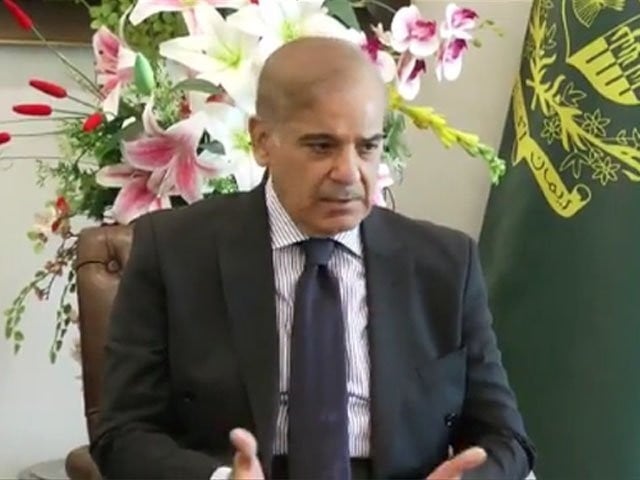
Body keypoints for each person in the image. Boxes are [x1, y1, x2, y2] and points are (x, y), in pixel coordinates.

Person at [90, 36, 536, 480]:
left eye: (367, 147)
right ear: (262, 141)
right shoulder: (174, 250)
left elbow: (506, 438)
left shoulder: (445, 265)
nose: (348, 173)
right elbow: (123, 434)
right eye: (322, 146)